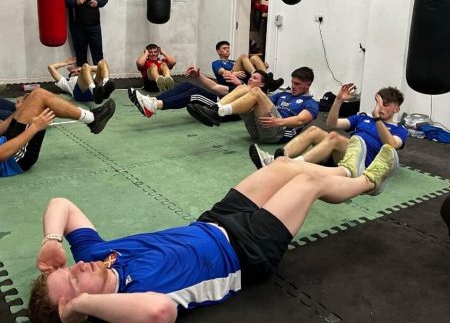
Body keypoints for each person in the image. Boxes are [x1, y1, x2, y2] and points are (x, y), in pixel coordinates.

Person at [27, 135, 399, 323]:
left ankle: (344, 172)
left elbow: (61, 203)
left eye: (67, 269)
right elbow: (161, 313)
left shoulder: (91, 258)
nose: (78, 268)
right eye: (74, 283)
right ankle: (368, 181)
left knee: (282, 167)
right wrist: (84, 304)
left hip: (213, 221)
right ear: (80, 307)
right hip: (245, 254)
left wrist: (52, 241)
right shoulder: (130, 301)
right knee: (305, 186)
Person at [249, 83, 408, 170]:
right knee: (314, 131)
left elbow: (391, 145)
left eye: (386, 105)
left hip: (361, 164)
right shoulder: (362, 118)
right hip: (342, 155)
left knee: (335, 137)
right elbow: (332, 123)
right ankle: (275, 160)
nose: (381, 108)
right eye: (380, 104)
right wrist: (338, 100)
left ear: (396, 109)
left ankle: (290, 165)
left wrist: (377, 118)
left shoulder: (399, 130)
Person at [187, 67, 319, 144]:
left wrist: (278, 121)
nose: (293, 86)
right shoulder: (283, 95)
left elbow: (301, 120)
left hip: (276, 133)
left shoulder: (311, 103)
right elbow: (262, 104)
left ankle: (219, 112)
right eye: (292, 82)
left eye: (297, 84)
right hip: (257, 132)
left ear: (308, 84)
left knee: (255, 91)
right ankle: (216, 110)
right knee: (246, 88)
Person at [0, 88, 115, 176]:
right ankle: (93, 119)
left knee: (35, 94)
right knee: (40, 96)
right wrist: (34, 128)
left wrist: (20, 110)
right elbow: (3, 153)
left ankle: (92, 119)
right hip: (14, 159)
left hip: (6, 141)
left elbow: (2, 127)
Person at [128, 67, 268, 119]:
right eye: (251, 76)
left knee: (194, 93)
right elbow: (215, 87)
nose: (250, 78)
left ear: (262, 84)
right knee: (188, 85)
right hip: (217, 100)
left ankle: (153, 106)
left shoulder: (260, 97)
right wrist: (199, 76)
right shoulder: (243, 87)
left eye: (254, 78)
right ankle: (152, 102)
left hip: (221, 109)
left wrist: (240, 84)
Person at [65, 0, 108, 67]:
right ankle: (83, 81)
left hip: (94, 26)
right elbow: (61, 0)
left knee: (98, 55)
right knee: (81, 56)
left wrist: (97, 3)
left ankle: (101, 80)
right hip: (77, 27)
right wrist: (75, 2)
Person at [212, 40, 283, 91]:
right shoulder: (216, 62)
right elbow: (223, 72)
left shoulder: (234, 62)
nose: (227, 50)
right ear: (218, 51)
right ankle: (260, 76)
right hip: (229, 82)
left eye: (228, 48)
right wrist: (234, 73)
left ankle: (269, 80)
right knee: (243, 56)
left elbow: (248, 69)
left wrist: (262, 66)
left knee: (254, 58)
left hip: (243, 78)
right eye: (224, 48)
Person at [48, 57, 115, 105]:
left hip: (97, 90)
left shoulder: (91, 77)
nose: (77, 71)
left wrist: (82, 68)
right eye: (74, 72)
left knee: (103, 62)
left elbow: (99, 68)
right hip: (81, 94)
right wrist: (66, 63)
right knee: (85, 65)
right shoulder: (66, 82)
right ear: (70, 75)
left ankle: (105, 84)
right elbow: (51, 67)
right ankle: (93, 90)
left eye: (79, 71)